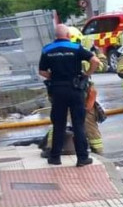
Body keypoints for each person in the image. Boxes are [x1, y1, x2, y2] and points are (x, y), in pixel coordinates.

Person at [38, 24, 100, 167]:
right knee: (78, 124)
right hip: (75, 89)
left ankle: (55, 157)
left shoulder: (47, 49)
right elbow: (95, 61)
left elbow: (42, 71)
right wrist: (86, 74)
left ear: (56, 36)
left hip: (57, 90)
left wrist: (53, 76)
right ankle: (82, 158)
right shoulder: (76, 48)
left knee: (58, 124)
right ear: (68, 35)